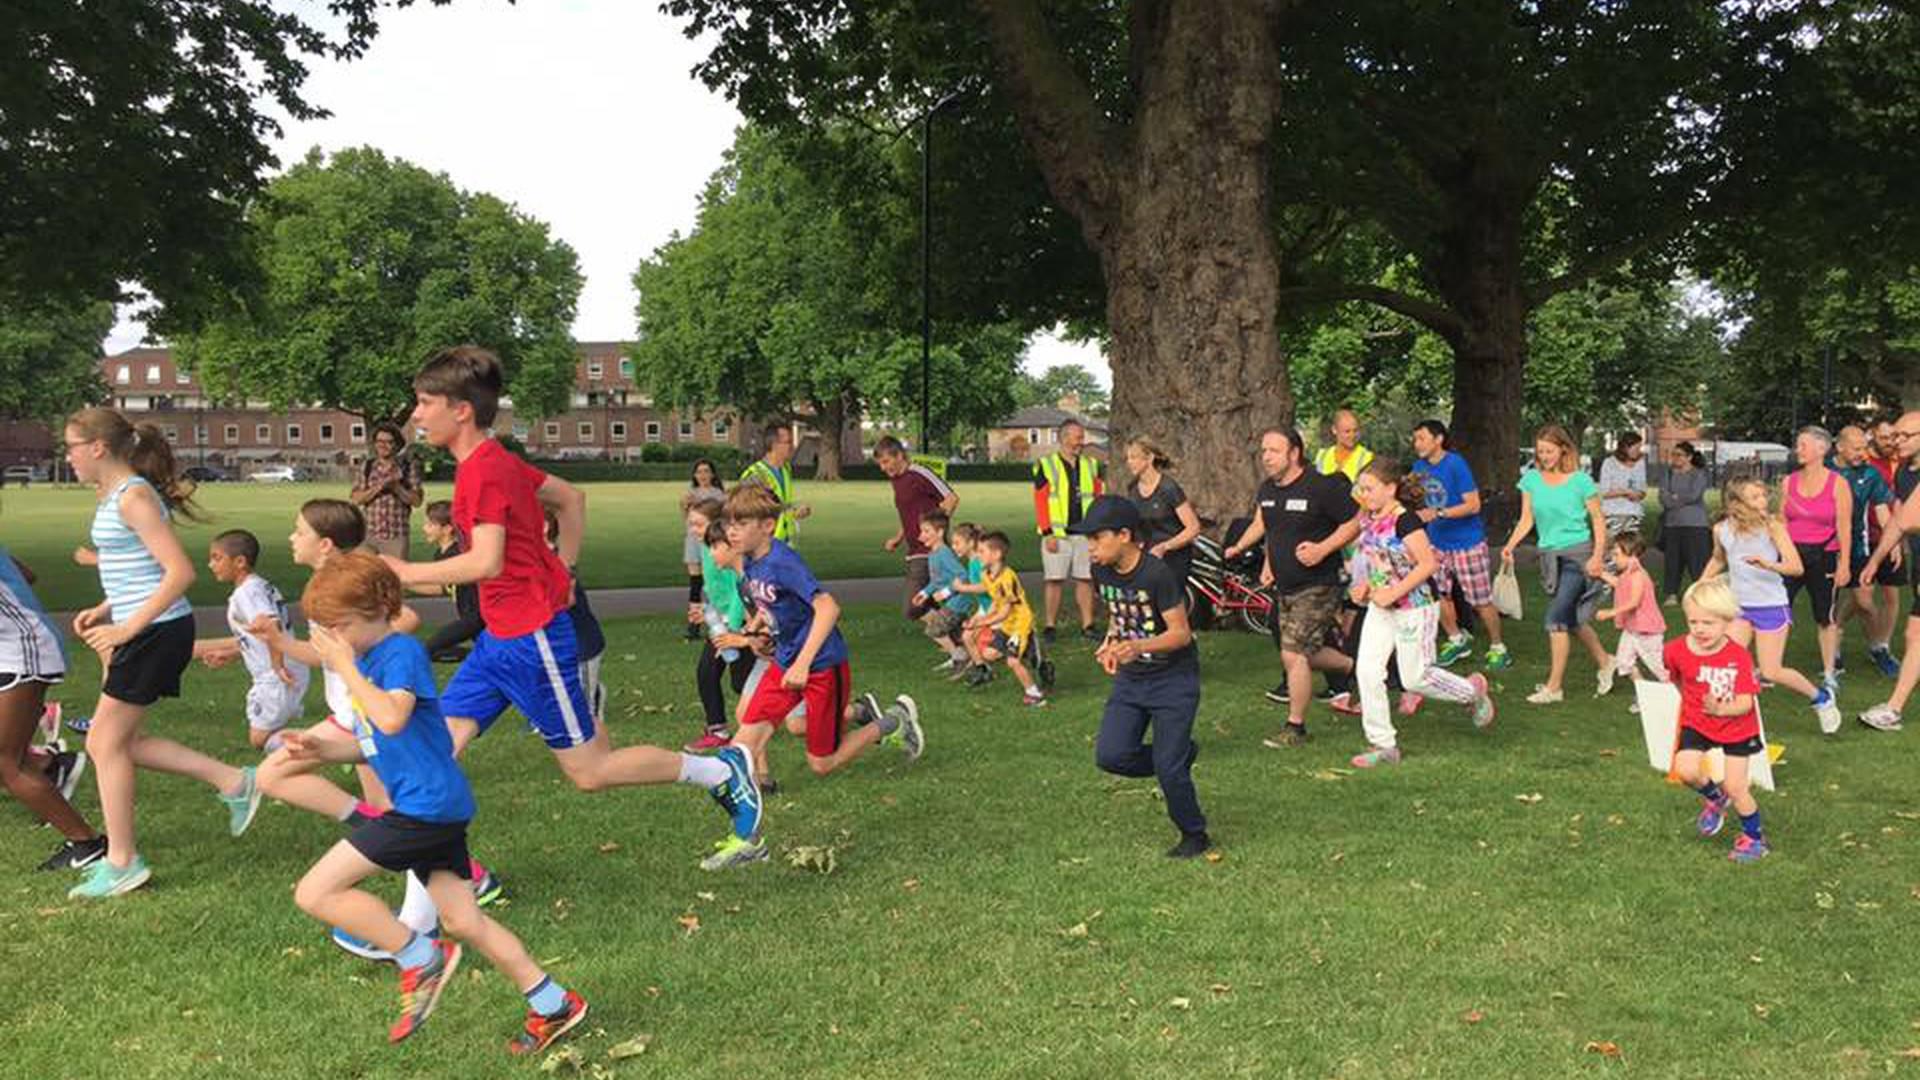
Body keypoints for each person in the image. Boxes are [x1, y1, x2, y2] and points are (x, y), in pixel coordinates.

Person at [383, 346, 763, 877]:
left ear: (461, 409)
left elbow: (486, 561)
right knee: (435, 752)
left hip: (532, 641)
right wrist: (566, 569)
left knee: (591, 771)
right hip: (500, 640)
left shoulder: (485, 473)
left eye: (424, 403)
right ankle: (442, 896)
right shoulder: (495, 462)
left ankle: (720, 772)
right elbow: (572, 499)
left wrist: (401, 575)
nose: (415, 416)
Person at [287, 552, 589, 1052]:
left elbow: (391, 718)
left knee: (315, 892)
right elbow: (377, 739)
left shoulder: (400, 654)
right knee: (464, 921)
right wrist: (325, 748)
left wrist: (344, 667)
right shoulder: (365, 659)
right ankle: (554, 1003)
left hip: (424, 810)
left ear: (376, 610)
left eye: (337, 627)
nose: (332, 640)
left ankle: (417, 956)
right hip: (434, 805)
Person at [62, 408, 263, 900]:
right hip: (147, 628)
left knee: (104, 743)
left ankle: (123, 862)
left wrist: (127, 626)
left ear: (98, 448)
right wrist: (105, 606)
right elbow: (140, 568)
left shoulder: (133, 497)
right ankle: (234, 782)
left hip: (155, 632)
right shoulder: (115, 495)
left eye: (71, 446)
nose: (67, 457)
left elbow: (178, 572)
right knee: (122, 743)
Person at [724, 483, 925, 828]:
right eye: (730, 523)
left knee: (822, 763)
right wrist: (756, 631)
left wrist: (803, 662)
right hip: (785, 662)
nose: (731, 530)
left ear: (767, 526)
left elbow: (828, 607)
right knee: (742, 742)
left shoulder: (782, 561)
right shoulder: (749, 562)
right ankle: (744, 830)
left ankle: (893, 721)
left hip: (821, 667)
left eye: (740, 523)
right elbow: (771, 603)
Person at [1074, 496, 1210, 857]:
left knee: (1168, 770)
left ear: (1124, 535)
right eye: (1087, 540)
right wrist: (1111, 641)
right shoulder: (1101, 570)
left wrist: (1138, 646)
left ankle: (1194, 834)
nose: (1090, 548)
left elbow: (1181, 633)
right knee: (1111, 755)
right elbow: (1122, 614)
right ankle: (1179, 757)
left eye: (1096, 539)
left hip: (1173, 680)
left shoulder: (1157, 574)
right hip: (1133, 680)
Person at [1346, 460, 1496, 769]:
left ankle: (1472, 692)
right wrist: (1362, 587)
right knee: (1368, 671)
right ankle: (1383, 745)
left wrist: (1393, 592)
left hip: (1415, 607)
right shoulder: (1369, 519)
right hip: (1381, 606)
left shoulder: (1407, 522)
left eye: (1369, 488)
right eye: (1361, 488)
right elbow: (1377, 561)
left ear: (1390, 489)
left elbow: (1427, 565)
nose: (1364, 494)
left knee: (1414, 678)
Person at [1223, 428, 1360, 747]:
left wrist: (1322, 549)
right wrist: (1244, 549)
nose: (1266, 457)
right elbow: (1265, 525)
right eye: (1263, 451)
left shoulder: (1321, 486)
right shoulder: (1268, 489)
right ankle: (1357, 666)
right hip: (1285, 584)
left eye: (1273, 450)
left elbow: (1355, 521)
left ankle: (1295, 728)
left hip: (1319, 584)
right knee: (1303, 653)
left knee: (1292, 653)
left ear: (1294, 453)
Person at [1702, 476, 1842, 733]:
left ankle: (1821, 698)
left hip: (1770, 606)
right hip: (1739, 608)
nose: (1763, 501)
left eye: (1763, 495)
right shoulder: (1721, 530)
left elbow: (1796, 567)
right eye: (1754, 497)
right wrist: (1700, 584)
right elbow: (1718, 559)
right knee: (1725, 660)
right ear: (1735, 503)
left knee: (1772, 671)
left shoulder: (1773, 527)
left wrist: (1769, 565)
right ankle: (1724, 717)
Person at [1, 544, 107, 872]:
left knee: (6, 764)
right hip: (17, 644)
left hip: (23, 650)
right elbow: (27, 575)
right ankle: (49, 766)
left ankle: (87, 844)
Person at [1500, 424, 1612, 705]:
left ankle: (1554, 688)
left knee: (1556, 619)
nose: (1545, 456)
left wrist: (1598, 556)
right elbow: (1527, 519)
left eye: (1549, 450)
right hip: (1549, 556)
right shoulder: (1531, 481)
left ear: (1563, 448)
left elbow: (1598, 520)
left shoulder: (1581, 481)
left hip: (1579, 556)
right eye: (1540, 451)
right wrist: (1510, 545)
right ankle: (1605, 661)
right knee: (1570, 618)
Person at [1664, 578, 1772, 863]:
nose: (1699, 629)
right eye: (1693, 622)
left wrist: (1721, 710)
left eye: (1708, 623)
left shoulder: (1737, 656)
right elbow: (1678, 679)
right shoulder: (1674, 650)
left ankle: (1755, 839)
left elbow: (1746, 702)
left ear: (1727, 622)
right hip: (1698, 722)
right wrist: (1695, 707)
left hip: (1737, 727)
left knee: (1737, 787)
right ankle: (1714, 796)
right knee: (1685, 770)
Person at [193, 529, 310, 750]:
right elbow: (258, 635)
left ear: (239, 562)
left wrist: (277, 665)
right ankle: (282, 779)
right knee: (268, 734)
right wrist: (234, 653)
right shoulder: (261, 586)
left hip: (275, 675)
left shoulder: (246, 593)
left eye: (217, 558)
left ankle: (334, 743)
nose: (211, 564)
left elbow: (269, 625)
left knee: (260, 739)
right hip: (287, 669)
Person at [1410, 419, 1510, 671]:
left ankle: (1498, 647)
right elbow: (1417, 499)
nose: (1417, 443)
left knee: (1480, 599)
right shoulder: (1418, 467)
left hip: (1467, 542)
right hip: (1436, 543)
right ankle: (1456, 639)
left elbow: (1473, 505)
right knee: (1437, 594)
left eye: (1422, 438)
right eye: (1415, 439)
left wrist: (1439, 513)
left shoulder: (1455, 464)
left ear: (1438, 439)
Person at [1856, 410, 1920, 730]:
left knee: (1917, 637)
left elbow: (1907, 519)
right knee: (1914, 635)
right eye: (1896, 435)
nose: (1897, 442)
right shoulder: (1906, 472)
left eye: (1905, 436)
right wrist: (1875, 560)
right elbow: (1898, 520)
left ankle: (1893, 709)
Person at [1781, 426, 1851, 687]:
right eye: (1797, 445)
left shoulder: (1838, 484)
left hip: (1824, 555)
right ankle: (1771, 666)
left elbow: (1844, 527)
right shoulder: (1789, 481)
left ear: (1821, 449)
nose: (1798, 450)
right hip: (1791, 555)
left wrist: (1843, 564)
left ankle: (1830, 672)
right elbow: (1780, 520)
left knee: (1825, 615)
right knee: (1778, 611)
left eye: (1803, 445)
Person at [1832, 425, 1900, 677]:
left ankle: (1877, 647)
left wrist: (1891, 542)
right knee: (1828, 603)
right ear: (1840, 447)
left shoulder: (1870, 474)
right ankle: (1834, 654)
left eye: (1864, 448)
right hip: (1827, 548)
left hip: (1859, 548)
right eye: (1857, 448)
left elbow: (1882, 509)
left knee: (1864, 601)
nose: (1863, 453)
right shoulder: (1824, 471)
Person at [1033, 418, 1104, 642]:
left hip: (1085, 533)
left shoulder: (1091, 465)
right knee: (1054, 580)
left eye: (1082, 437)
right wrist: (1048, 533)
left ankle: (1088, 625)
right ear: (1064, 438)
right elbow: (1041, 500)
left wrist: (1097, 529)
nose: (1081, 442)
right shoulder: (1046, 464)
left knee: (1085, 579)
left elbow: (1098, 497)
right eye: (1078, 437)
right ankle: (1050, 626)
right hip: (1057, 534)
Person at [874, 435, 960, 619]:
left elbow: (951, 499)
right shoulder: (896, 480)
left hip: (929, 551)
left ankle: (957, 635)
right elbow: (909, 514)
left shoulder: (920, 473)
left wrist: (934, 531)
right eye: (880, 464)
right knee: (928, 601)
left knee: (912, 607)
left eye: (886, 461)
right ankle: (959, 637)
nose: (883, 468)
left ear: (899, 455)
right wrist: (898, 538)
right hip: (914, 550)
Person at [688, 518, 756, 753]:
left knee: (742, 684)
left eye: (698, 524)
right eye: (691, 524)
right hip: (720, 623)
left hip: (736, 625)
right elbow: (712, 588)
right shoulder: (709, 551)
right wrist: (706, 611)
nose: (693, 530)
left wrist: (734, 627)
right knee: (706, 672)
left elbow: (739, 590)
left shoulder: (737, 559)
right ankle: (718, 730)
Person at [960, 531, 1047, 706]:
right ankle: (1032, 652)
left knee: (1012, 661)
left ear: (997, 554)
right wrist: (977, 620)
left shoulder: (1008, 578)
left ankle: (1035, 695)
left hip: (1020, 623)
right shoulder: (986, 574)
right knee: (989, 654)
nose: (978, 555)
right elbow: (995, 602)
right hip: (1007, 623)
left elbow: (1005, 612)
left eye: (982, 551)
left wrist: (982, 622)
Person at [1594, 532, 1669, 692]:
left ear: (1631, 554)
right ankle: (1644, 694)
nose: (1614, 559)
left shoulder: (1637, 575)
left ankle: (1676, 694)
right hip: (1632, 629)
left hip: (1647, 630)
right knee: (1624, 662)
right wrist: (1600, 574)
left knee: (1658, 668)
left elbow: (1634, 602)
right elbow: (1619, 584)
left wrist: (1611, 612)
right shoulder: (1628, 573)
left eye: (1617, 555)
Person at [1123, 436, 1203, 585]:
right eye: (1127, 458)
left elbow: (1193, 528)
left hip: (1173, 560)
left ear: (1150, 458)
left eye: (1134, 457)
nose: (1129, 462)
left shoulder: (1169, 488)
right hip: (1146, 559)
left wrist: (1165, 547)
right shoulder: (1132, 488)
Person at [909, 512, 975, 672]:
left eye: (926, 531)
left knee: (934, 629)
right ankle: (970, 659)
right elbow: (936, 581)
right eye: (921, 531)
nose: (921, 536)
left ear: (940, 533)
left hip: (958, 602)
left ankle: (958, 657)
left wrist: (946, 593)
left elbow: (963, 576)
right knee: (960, 634)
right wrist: (924, 593)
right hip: (951, 602)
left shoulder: (944, 553)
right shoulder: (933, 554)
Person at [419, 500, 483, 663]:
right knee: (429, 650)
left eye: (430, 524)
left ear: (447, 529)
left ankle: (475, 656)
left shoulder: (456, 555)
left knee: (428, 650)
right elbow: (442, 588)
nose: (424, 528)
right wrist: (401, 583)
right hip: (470, 619)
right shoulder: (441, 554)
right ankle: (478, 656)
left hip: (476, 619)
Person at [351, 422, 424, 560]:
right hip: (368, 535)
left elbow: (417, 501)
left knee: (395, 578)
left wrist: (396, 487)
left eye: (388, 442)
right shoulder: (367, 466)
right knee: (366, 578)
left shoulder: (408, 467)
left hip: (396, 536)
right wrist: (379, 487)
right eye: (379, 441)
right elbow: (356, 498)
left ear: (397, 445)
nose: (382, 445)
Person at [1658, 441, 1713, 605]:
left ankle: (1701, 593)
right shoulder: (1668, 473)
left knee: (1697, 561)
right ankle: (1671, 593)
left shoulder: (1699, 474)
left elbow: (1694, 495)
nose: (1674, 459)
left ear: (1689, 457)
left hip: (1695, 524)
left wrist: (1675, 497)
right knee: (1672, 561)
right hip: (1672, 524)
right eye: (1673, 455)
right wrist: (1673, 498)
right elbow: (1663, 497)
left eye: (1679, 455)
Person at [680, 459, 727, 640]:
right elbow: (686, 518)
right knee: (695, 583)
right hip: (693, 541)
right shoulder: (690, 494)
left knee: (712, 583)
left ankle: (715, 623)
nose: (703, 475)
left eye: (706, 471)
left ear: (713, 474)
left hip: (712, 541)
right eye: (699, 472)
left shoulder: (719, 495)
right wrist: (685, 506)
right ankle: (693, 625)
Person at [739, 424, 810, 544]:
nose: (792, 446)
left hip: (783, 542)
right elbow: (743, 511)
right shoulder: (755, 474)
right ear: (774, 445)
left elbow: (781, 504)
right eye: (788, 442)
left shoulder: (785, 470)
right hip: (763, 544)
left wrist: (795, 512)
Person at [1597, 432, 1648, 541]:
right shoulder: (1609, 463)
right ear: (1625, 447)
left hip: (1633, 513)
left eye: (1639, 448)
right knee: (1612, 548)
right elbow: (1604, 492)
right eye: (1636, 448)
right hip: (1613, 513)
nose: (1638, 451)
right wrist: (1625, 492)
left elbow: (1643, 489)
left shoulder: (1640, 464)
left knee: (1631, 548)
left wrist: (1639, 494)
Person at [1311, 408, 1374, 482]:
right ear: (1334, 430)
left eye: (1355, 431)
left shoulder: (1367, 458)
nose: (1352, 435)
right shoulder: (1322, 456)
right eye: (1347, 431)